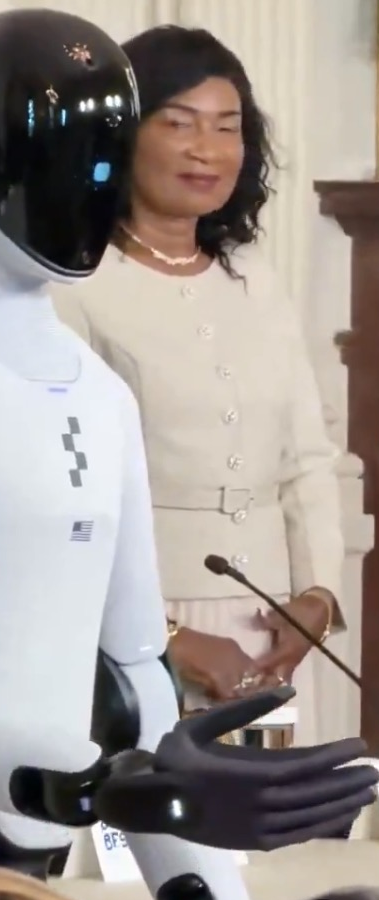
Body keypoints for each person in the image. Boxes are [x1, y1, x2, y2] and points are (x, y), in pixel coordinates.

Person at [0, 10, 376, 900]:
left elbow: (134, 682)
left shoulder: (100, 397)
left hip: (47, 848)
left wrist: (191, 873)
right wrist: (111, 784)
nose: (82, 187)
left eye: (100, 159)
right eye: (66, 156)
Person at [52, 25, 343, 745]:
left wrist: (318, 596)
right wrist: (166, 637)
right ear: (124, 135)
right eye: (178, 124)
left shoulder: (256, 278)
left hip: (269, 621)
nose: (205, 149)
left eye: (226, 127)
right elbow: (60, 499)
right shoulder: (74, 287)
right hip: (134, 620)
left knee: (276, 812)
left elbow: (307, 457)